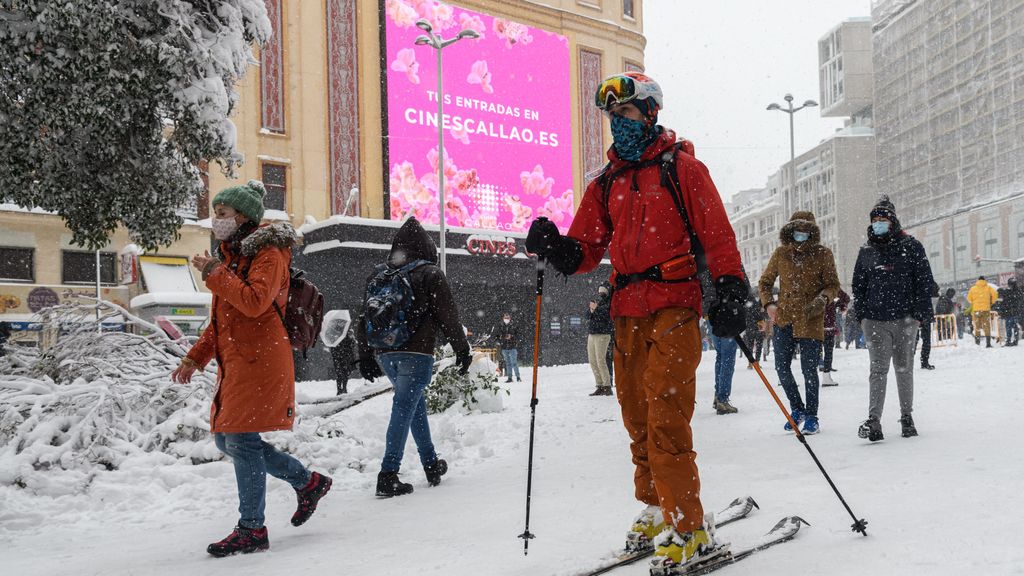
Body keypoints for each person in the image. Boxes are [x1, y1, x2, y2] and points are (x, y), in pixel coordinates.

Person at [525, 71, 746, 573]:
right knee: (637, 415)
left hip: (674, 302)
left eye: (624, 114)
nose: (616, 125)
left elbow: (717, 236)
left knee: (667, 416)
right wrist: (555, 245)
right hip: (627, 311)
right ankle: (655, 505)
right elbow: (585, 249)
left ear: (649, 113)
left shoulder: (682, 169)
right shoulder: (606, 183)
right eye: (611, 117)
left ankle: (688, 525)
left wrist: (731, 288)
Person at [171, 180, 331, 557]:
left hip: (261, 359)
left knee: (239, 439)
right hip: (240, 358)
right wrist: (195, 357)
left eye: (222, 214)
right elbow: (223, 320)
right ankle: (308, 483)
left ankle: (252, 528)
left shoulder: (270, 253)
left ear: (242, 216)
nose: (216, 221)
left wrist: (213, 271)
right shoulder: (233, 256)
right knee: (228, 439)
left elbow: (256, 302)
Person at [356, 217, 471, 498]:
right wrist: (462, 348)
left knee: (413, 407)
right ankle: (388, 474)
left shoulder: (380, 275)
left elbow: (364, 316)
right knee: (403, 408)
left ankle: (431, 464)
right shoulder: (430, 273)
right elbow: (448, 316)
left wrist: (366, 353)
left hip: (386, 353)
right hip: (416, 353)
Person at [851, 197, 934, 442]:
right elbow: (859, 285)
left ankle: (906, 416)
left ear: (892, 220)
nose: (878, 223)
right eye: (875, 220)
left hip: (905, 319)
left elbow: (924, 281)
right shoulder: (866, 251)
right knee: (878, 370)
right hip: (875, 321)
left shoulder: (911, 246)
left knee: (904, 368)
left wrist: (918, 315)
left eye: (883, 219)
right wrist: (863, 315)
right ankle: (874, 420)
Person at [758, 211, 840, 435]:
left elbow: (833, 285)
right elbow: (764, 283)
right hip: (784, 318)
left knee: (809, 370)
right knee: (781, 367)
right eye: (797, 229)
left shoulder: (823, 254)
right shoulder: (781, 254)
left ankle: (812, 415)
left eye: (805, 230)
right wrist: (769, 305)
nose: (801, 234)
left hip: (810, 319)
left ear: (812, 231)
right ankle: (797, 409)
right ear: (790, 230)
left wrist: (822, 299)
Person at [586, 285, 614, 396]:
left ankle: (607, 385)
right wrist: (592, 310)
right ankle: (599, 385)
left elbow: (604, 315)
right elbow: (587, 315)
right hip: (592, 334)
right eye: (599, 291)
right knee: (593, 361)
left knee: (600, 360)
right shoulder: (598, 303)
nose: (600, 293)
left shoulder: (609, 303)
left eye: (603, 291)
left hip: (603, 335)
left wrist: (594, 309)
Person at [821, 288, 850, 379]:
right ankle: (826, 374)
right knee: (828, 350)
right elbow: (846, 298)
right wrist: (840, 305)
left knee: (814, 350)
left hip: (814, 325)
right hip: (828, 323)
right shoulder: (831, 285)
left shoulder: (810, 283)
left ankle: (816, 373)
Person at [966, 275, 999, 347]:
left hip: (976, 310)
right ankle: (988, 343)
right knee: (987, 326)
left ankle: (977, 343)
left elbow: (968, 298)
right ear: (984, 280)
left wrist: (974, 302)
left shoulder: (973, 288)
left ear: (978, 280)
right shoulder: (988, 287)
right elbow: (995, 295)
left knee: (977, 326)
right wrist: (991, 302)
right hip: (986, 309)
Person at [917, 282, 940, 369]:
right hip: (923, 312)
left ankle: (920, 362)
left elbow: (935, 291)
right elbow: (935, 291)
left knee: (915, 341)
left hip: (917, 313)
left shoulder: (912, 278)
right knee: (924, 340)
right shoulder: (924, 279)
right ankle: (924, 362)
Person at [329, 329, 357, 395]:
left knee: (343, 374)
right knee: (342, 374)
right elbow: (351, 347)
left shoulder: (340, 337)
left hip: (342, 358)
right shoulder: (340, 337)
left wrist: (352, 339)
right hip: (342, 358)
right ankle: (341, 389)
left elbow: (352, 347)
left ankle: (342, 389)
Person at [496, 311, 521, 383]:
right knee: (508, 363)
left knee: (514, 363)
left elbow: (518, 335)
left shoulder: (514, 325)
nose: (506, 319)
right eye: (505, 318)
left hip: (512, 347)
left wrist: (512, 336)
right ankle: (510, 378)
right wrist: (500, 340)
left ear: (510, 318)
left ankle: (518, 377)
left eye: (507, 318)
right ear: (503, 318)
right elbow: (497, 336)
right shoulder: (501, 326)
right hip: (504, 347)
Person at [999, 278, 1023, 346]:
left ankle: (1009, 340)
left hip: (1009, 312)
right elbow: (1020, 302)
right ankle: (1015, 340)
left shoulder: (1008, 292)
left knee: (1009, 327)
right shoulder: (1019, 291)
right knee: (1014, 326)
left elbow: (1004, 302)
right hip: (1015, 312)